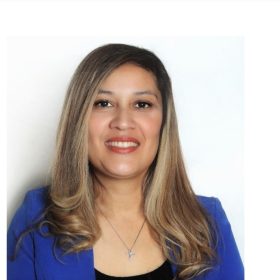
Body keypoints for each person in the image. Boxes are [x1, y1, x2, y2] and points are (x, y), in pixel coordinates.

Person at [7, 43, 244, 280]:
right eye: (103, 103)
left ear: (163, 123)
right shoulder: (36, 221)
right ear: (79, 119)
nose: (122, 121)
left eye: (142, 105)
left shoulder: (208, 223)